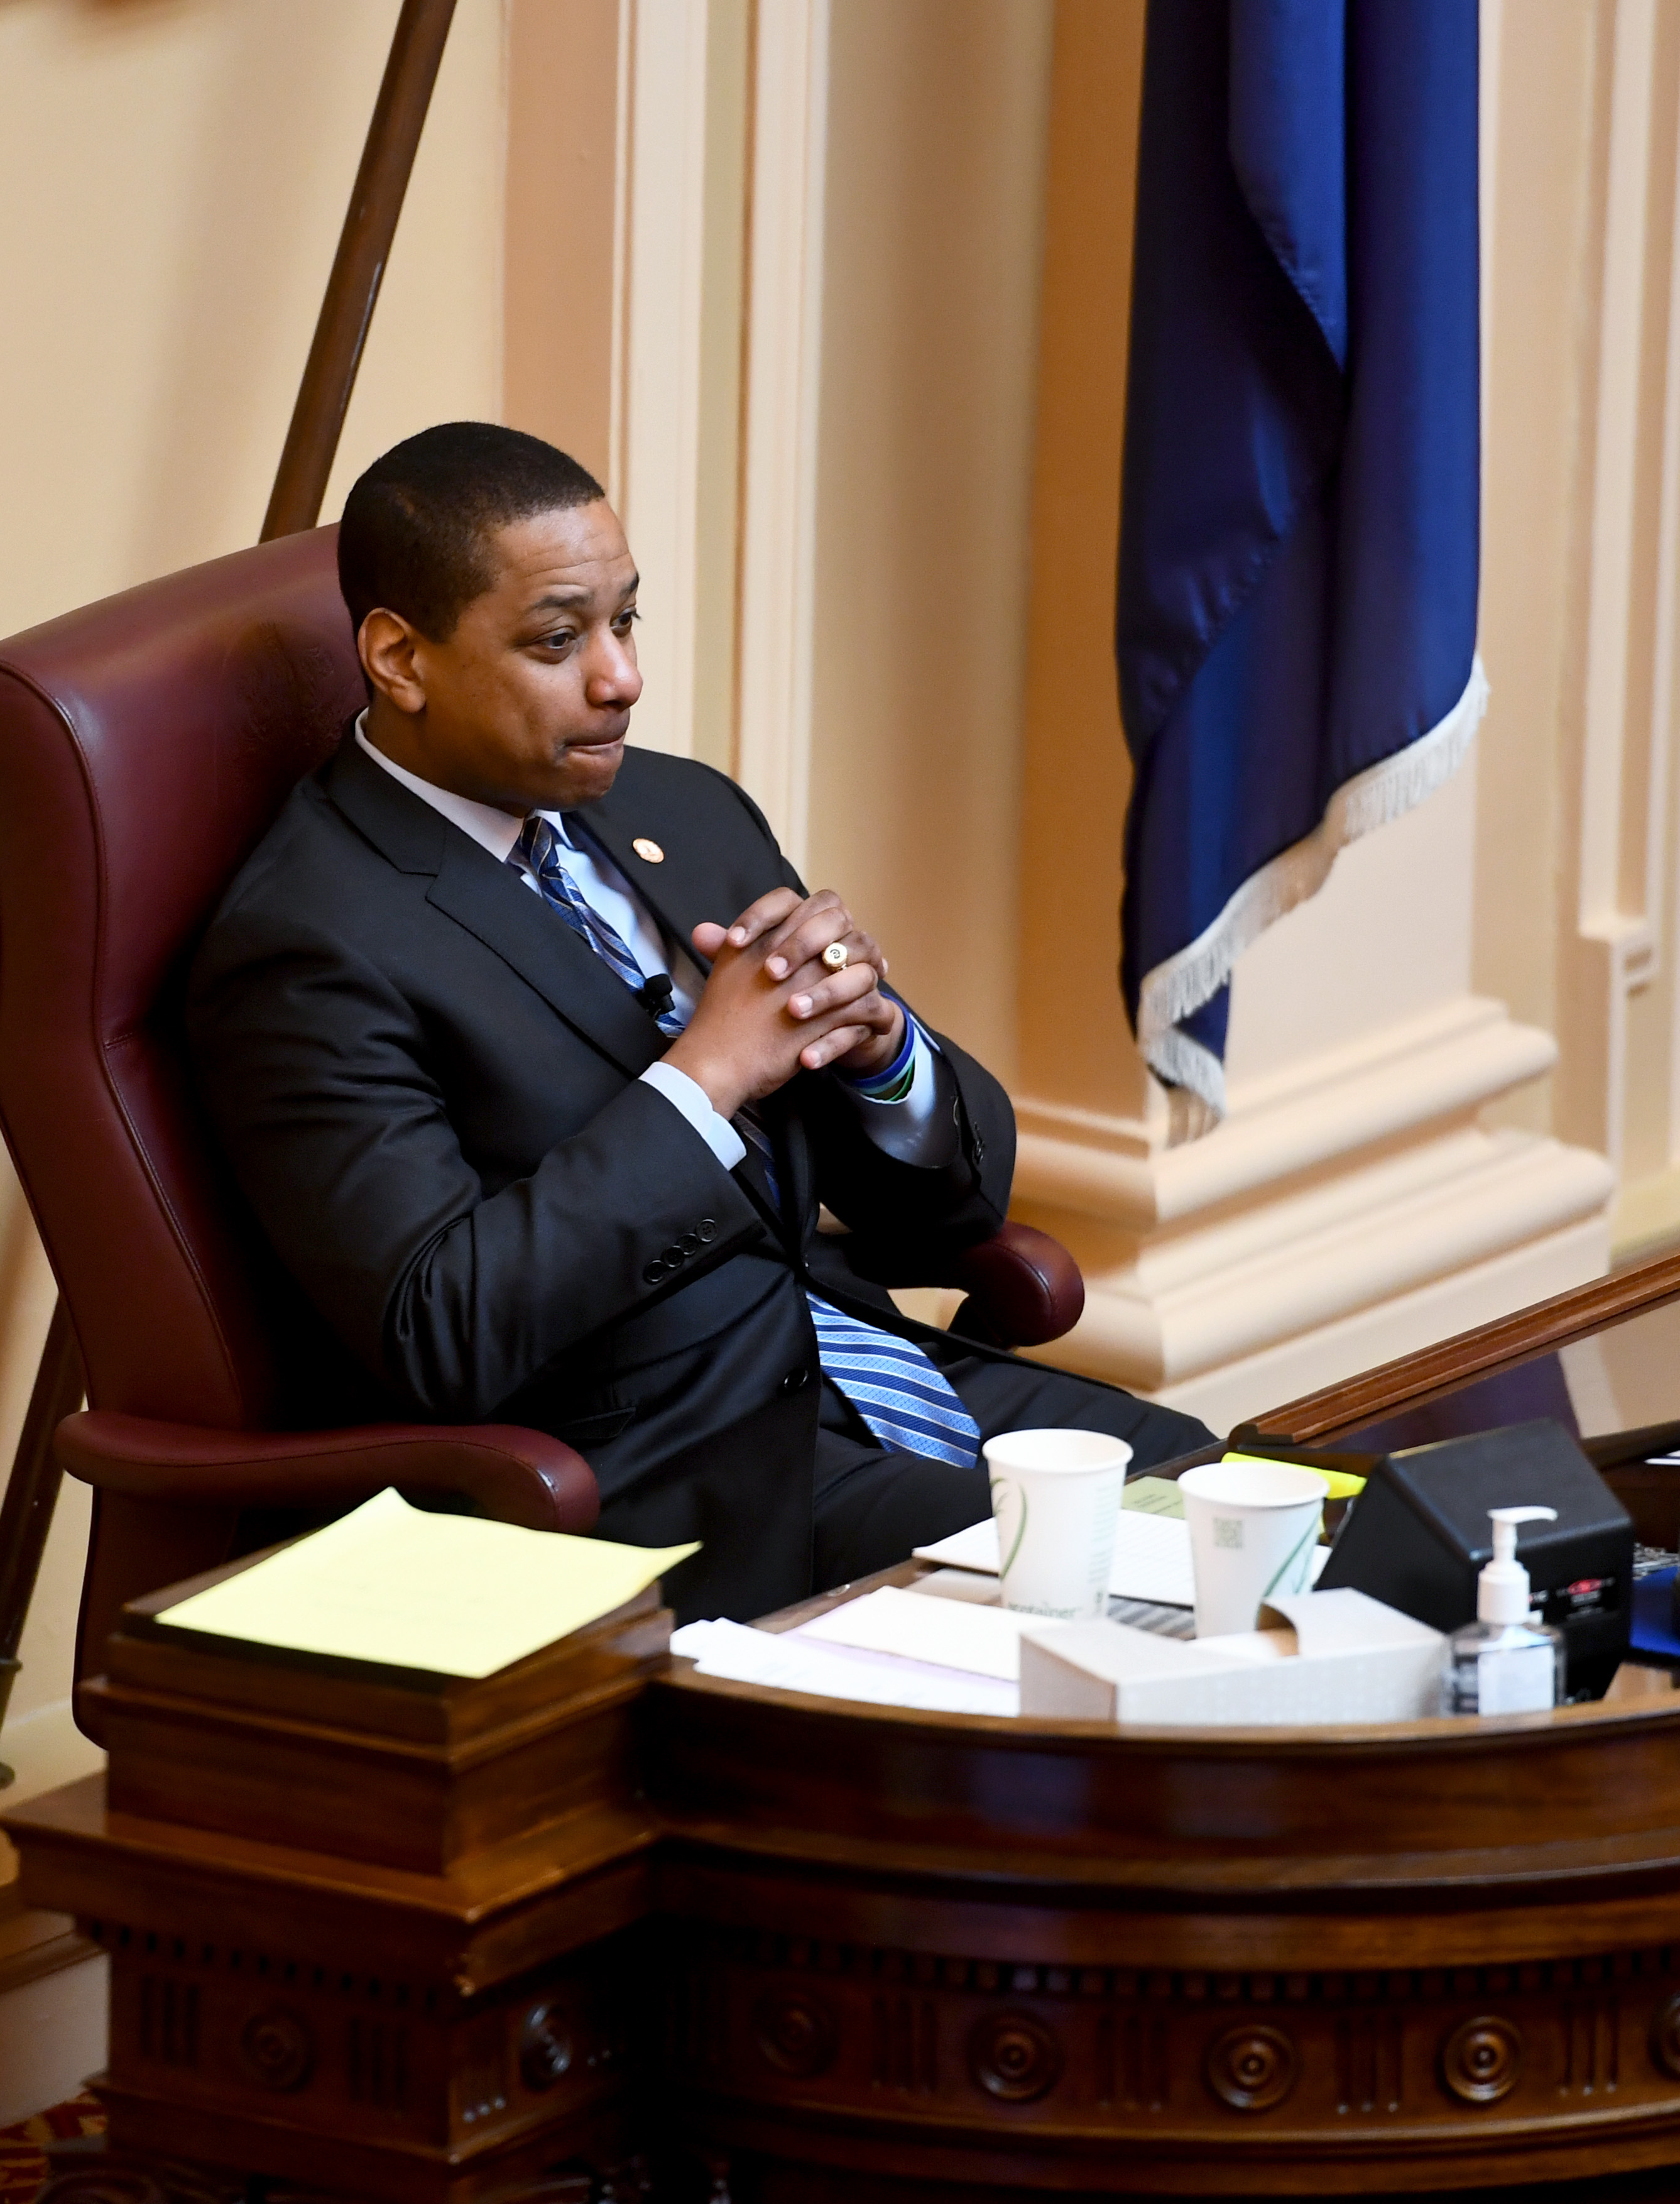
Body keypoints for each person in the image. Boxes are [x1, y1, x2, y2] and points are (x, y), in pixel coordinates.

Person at [183, 422, 1213, 1623]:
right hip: (662, 1479)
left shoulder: (681, 808)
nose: (619, 679)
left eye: (626, 622)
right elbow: (440, 1331)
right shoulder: (311, 941)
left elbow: (952, 1212)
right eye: (558, 640)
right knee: (1089, 1595)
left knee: (1228, 1496)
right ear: (401, 659)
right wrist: (707, 1075)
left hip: (859, 1371)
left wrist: (880, 1052)